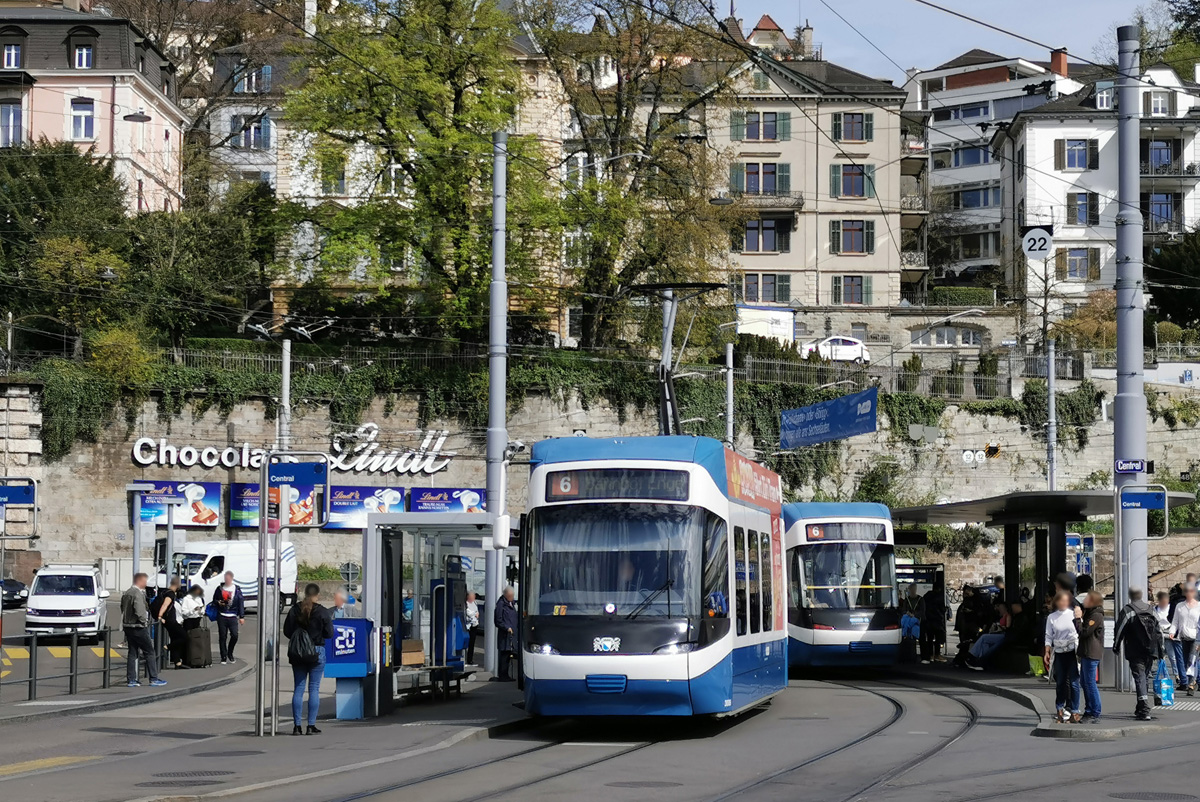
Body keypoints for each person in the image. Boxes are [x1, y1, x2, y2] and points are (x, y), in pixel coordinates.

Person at [283, 583, 334, 736]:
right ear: (317, 595)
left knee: (298, 688)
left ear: (305, 593)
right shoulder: (322, 611)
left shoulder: (295, 609)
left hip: (298, 652)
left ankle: (297, 726)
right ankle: (311, 725)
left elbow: (287, 631)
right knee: (314, 688)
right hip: (317, 651)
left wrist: (299, 638)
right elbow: (329, 633)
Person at [1115, 587, 1164, 721]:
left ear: (1130, 596)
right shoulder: (1151, 609)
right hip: (1150, 649)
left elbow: (1120, 629)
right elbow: (1159, 631)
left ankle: (1144, 709)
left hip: (1134, 649)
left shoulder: (1128, 610)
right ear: (1141, 595)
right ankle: (1140, 706)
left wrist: (1116, 646)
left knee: (1140, 677)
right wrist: (1161, 650)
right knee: (1144, 677)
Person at [121, 573, 167, 688]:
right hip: (138, 626)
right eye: (145, 581)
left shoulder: (127, 593)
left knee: (132, 652)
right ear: (139, 581)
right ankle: (153, 678)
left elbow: (122, 607)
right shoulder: (137, 594)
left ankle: (131, 679)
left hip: (128, 626)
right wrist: (144, 621)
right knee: (149, 651)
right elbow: (139, 610)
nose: (146, 584)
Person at [1044, 590, 1081, 723]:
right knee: (1060, 682)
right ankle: (1059, 709)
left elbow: (1080, 630)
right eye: (1061, 600)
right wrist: (1047, 651)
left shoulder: (1073, 614)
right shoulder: (1052, 617)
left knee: (1074, 682)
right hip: (1059, 651)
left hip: (1072, 651)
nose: (1064, 603)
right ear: (1057, 601)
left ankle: (1075, 711)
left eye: (1066, 600)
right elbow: (1048, 635)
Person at [1078, 590, 1104, 723]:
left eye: (1087, 599)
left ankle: (1094, 711)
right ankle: (1089, 709)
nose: (1084, 601)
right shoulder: (1090, 613)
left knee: (1089, 683)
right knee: (1085, 682)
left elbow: (1085, 631)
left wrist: (1078, 619)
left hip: (1091, 652)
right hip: (1087, 651)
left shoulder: (1096, 615)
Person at [1170, 584, 1200, 695]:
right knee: (1186, 661)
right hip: (1183, 636)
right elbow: (1175, 621)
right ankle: (1192, 681)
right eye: (1186, 591)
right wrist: (1172, 632)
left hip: (1196, 637)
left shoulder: (1199, 606)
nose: (1188, 593)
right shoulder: (1180, 606)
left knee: (1192, 660)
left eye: (1191, 591)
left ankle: (1191, 684)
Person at [152, 576, 187, 670]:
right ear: (177, 584)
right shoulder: (170, 593)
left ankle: (177, 662)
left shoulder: (164, 591)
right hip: (170, 620)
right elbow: (165, 605)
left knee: (175, 639)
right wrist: (160, 616)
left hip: (168, 620)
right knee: (184, 636)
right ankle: (167, 647)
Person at [212, 572, 245, 665]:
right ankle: (223, 656)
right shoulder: (219, 589)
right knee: (222, 636)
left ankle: (230, 653)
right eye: (226, 578)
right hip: (222, 615)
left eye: (229, 578)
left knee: (234, 635)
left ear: (232, 579)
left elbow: (241, 602)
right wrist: (219, 602)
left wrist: (241, 616)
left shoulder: (237, 589)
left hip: (233, 616)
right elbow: (214, 600)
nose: (227, 580)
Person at [494, 586, 518, 681]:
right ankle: (502, 675)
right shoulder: (501, 604)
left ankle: (506, 675)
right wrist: (507, 628)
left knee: (508, 655)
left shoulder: (511, 603)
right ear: (506, 595)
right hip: (505, 635)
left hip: (512, 634)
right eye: (511, 596)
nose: (512, 597)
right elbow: (498, 620)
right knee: (504, 655)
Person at [921, 586, 947, 663]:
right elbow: (942, 609)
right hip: (937, 620)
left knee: (929, 639)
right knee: (938, 639)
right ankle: (937, 655)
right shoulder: (940, 597)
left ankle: (930, 655)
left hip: (928, 620)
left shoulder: (926, 596)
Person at [464, 591, 483, 666]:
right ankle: (465, 659)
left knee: (472, 643)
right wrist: (475, 614)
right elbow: (468, 612)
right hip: (468, 625)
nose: (474, 598)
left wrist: (476, 614)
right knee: (467, 642)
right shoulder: (466, 603)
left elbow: (476, 611)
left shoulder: (474, 603)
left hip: (474, 624)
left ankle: (470, 659)